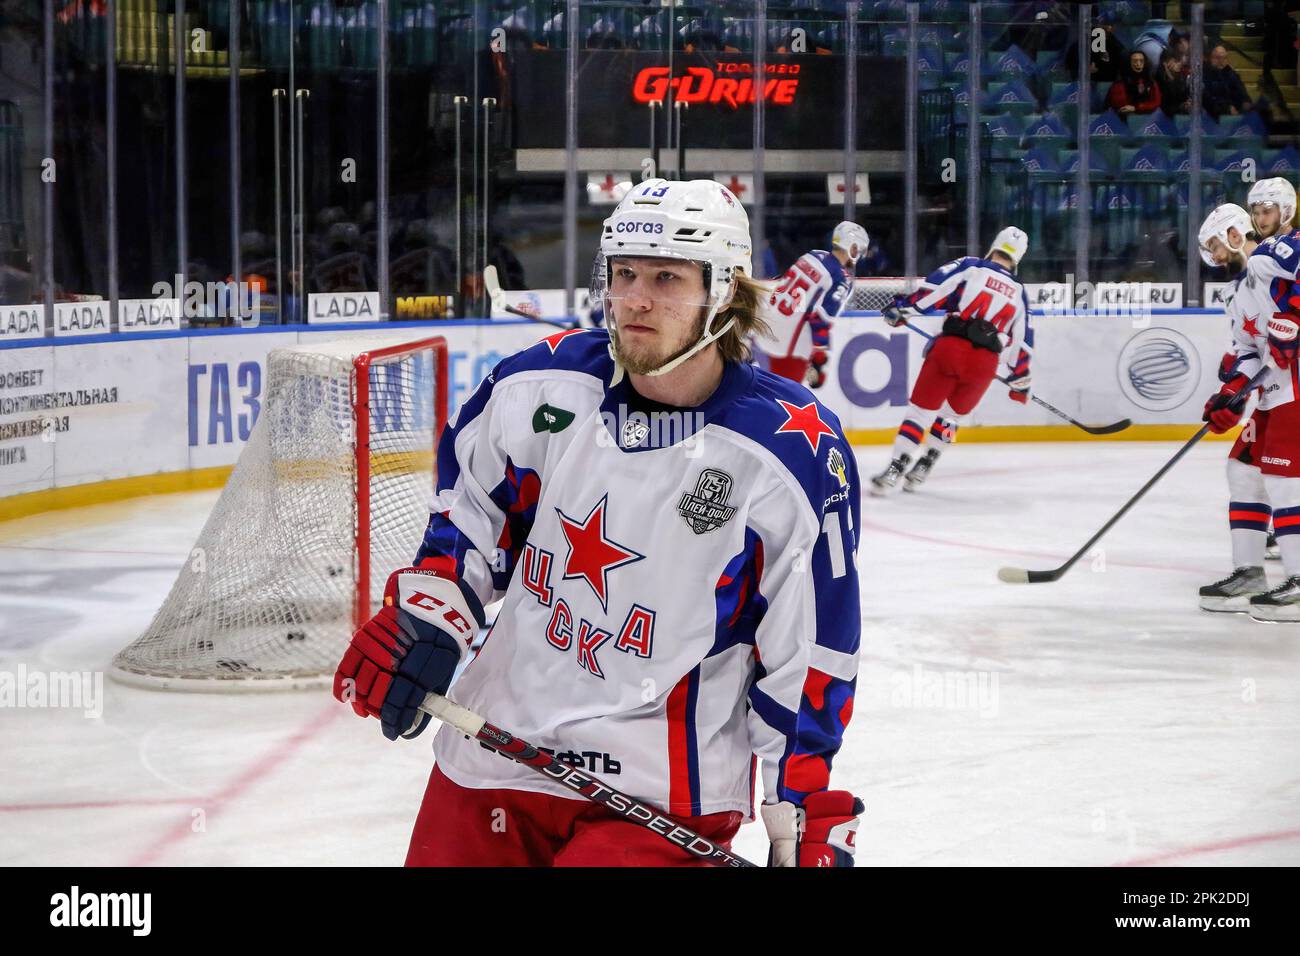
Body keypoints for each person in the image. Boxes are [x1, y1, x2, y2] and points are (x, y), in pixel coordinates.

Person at [333, 178, 865, 866]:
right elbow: (470, 517)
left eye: (667, 278)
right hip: (495, 749)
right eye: (624, 274)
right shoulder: (541, 388)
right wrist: (433, 612)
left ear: (726, 292)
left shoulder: (787, 453)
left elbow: (809, 646)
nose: (635, 299)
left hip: (661, 793)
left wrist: (798, 811)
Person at [1199, 179, 1300, 621]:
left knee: (1284, 478)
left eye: (1216, 248)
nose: (1215, 258)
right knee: (1242, 470)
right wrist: (1231, 393)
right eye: (1255, 210)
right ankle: (1249, 572)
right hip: (1272, 392)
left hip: (1296, 386)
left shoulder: (1279, 252)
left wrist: (1295, 319)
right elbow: (1247, 352)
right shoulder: (1236, 293)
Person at [870, 227, 1033, 495]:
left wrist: (903, 309)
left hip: (951, 350)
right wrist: (1020, 378)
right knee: (951, 417)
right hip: (984, 364)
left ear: (994, 246)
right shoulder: (1019, 291)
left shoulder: (972, 266)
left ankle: (895, 469)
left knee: (920, 413)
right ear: (1018, 259)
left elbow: (935, 289)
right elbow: (1022, 341)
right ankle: (924, 465)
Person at [754, 220, 867, 389]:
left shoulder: (812, 255)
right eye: (859, 249)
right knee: (787, 400)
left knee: (766, 391)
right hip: (790, 344)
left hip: (767, 325)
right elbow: (820, 319)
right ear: (852, 246)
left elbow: (782, 285)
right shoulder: (841, 278)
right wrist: (819, 358)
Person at [1203, 44, 1253, 119]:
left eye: (1224, 58)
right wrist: (1227, 107)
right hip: (1214, 113)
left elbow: (1242, 93)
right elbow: (1207, 98)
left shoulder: (1231, 74)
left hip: (1234, 112)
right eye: (1218, 57)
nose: (1221, 61)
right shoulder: (1206, 74)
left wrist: (1246, 102)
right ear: (1211, 59)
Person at [1106, 50, 1162, 115]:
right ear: (1129, 63)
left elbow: (1156, 102)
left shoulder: (1150, 81)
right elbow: (1123, 107)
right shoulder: (1120, 83)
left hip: (1144, 116)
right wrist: (1142, 107)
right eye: (1135, 61)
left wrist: (1137, 108)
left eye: (1141, 61)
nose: (1138, 64)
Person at [1154, 48, 1191, 115]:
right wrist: (1181, 107)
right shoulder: (1158, 79)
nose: (1180, 64)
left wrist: (1187, 103)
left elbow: (1184, 97)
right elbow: (1165, 106)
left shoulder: (1180, 77)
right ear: (1165, 63)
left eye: (1180, 61)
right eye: (1176, 61)